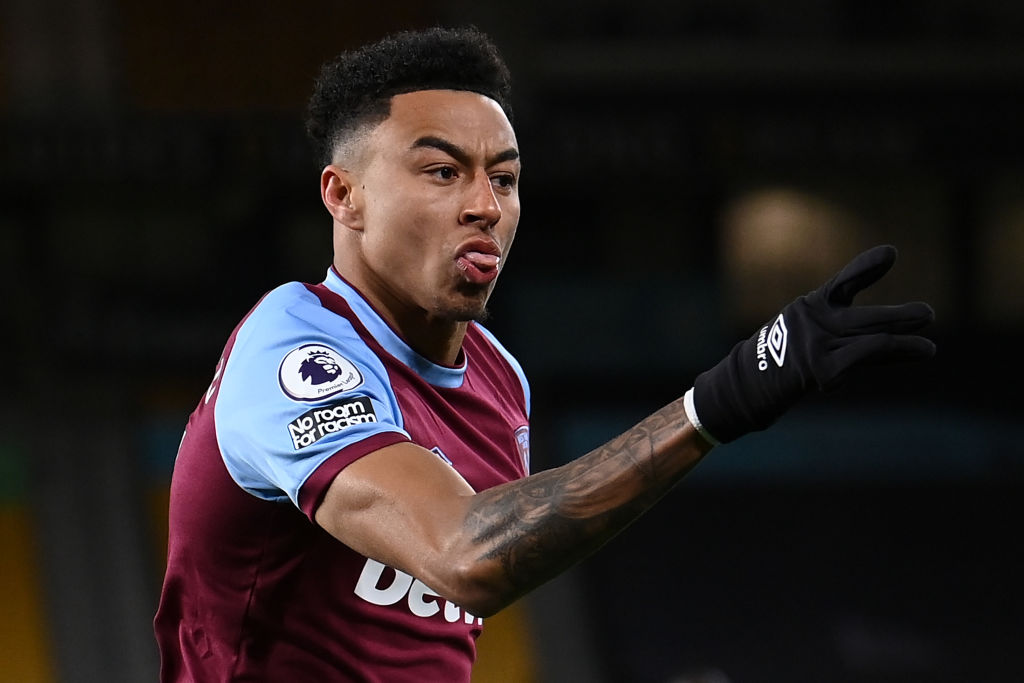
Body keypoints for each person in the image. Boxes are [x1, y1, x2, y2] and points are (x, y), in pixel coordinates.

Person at [153, 26, 936, 682]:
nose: (484, 206)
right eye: (441, 172)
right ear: (342, 195)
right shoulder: (290, 350)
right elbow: (464, 556)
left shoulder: (498, 379)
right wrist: (714, 406)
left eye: (505, 177)